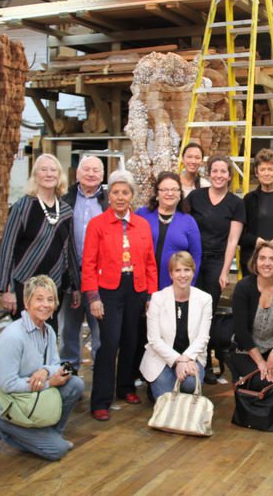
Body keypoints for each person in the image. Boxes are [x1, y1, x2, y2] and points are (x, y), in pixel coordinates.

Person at [82, 170, 158, 421]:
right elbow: (89, 264)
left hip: (135, 290)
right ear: (109, 195)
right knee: (109, 344)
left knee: (130, 341)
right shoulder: (97, 224)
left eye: (125, 192)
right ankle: (101, 400)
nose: (120, 197)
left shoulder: (143, 224)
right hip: (109, 291)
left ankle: (125, 387)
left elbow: (150, 264)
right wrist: (93, 298)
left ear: (132, 196)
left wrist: (150, 296)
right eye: (115, 192)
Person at [0, 275, 84, 461]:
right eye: (39, 299)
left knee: (75, 384)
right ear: (27, 303)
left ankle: (50, 434)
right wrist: (48, 383)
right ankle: (5, 433)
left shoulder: (49, 331)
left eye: (50, 299)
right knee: (57, 451)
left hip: (32, 398)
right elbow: (7, 385)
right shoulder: (13, 337)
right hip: (8, 405)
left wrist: (45, 371)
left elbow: (54, 364)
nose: (45, 305)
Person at [0, 153, 81, 333]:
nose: (48, 174)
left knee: (48, 335)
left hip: (53, 288)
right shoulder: (22, 207)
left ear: (59, 176)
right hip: (24, 286)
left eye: (53, 170)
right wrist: (7, 289)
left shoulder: (66, 211)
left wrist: (75, 286)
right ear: (35, 175)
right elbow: (7, 247)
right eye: (43, 170)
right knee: (25, 336)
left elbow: (70, 251)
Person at [185, 155, 245, 383]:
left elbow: (233, 240)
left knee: (206, 314)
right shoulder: (195, 197)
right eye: (215, 171)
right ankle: (190, 360)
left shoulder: (235, 204)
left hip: (217, 262)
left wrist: (224, 271)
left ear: (229, 175)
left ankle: (208, 363)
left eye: (223, 171)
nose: (219, 175)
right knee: (189, 311)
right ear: (208, 174)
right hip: (192, 261)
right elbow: (185, 228)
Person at [140, 252, 212, 399]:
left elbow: (203, 338)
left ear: (193, 272)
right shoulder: (158, 298)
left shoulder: (205, 299)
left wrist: (186, 358)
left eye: (187, 270)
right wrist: (178, 360)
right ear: (171, 274)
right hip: (161, 358)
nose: (183, 275)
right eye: (177, 270)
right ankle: (154, 386)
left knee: (190, 384)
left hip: (191, 357)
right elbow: (154, 339)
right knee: (166, 399)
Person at [59, 155, 108, 372]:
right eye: (86, 169)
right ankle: (70, 376)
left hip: (100, 279)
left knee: (100, 331)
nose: (90, 174)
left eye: (96, 170)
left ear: (102, 176)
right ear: (77, 173)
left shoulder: (108, 202)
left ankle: (100, 376)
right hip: (71, 276)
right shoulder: (64, 201)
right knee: (69, 330)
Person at [231, 241, 273, 392]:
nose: (267, 263)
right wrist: (261, 362)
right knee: (262, 383)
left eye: (272, 259)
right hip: (247, 349)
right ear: (255, 261)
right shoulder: (243, 287)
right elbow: (241, 331)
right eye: (262, 258)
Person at [136, 171, 202, 290]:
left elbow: (196, 256)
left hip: (175, 286)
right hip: (141, 284)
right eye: (164, 190)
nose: (170, 193)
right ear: (157, 193)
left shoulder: (188, 221)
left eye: (174, 189)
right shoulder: (141, 215)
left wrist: (189, 284)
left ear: (180, 193)